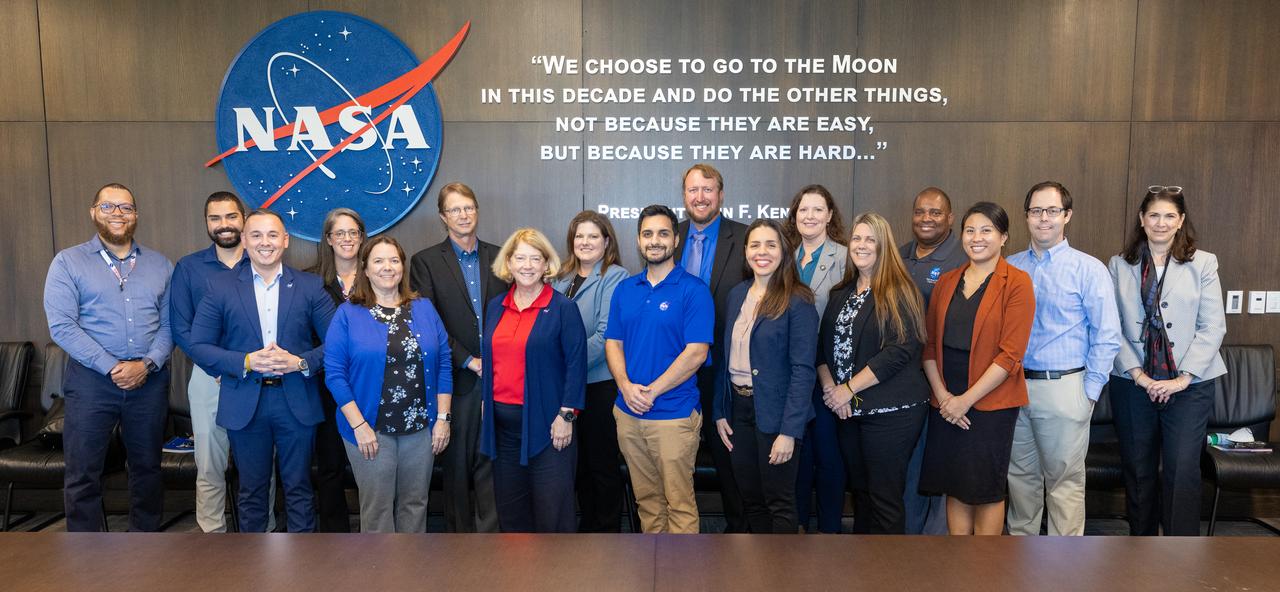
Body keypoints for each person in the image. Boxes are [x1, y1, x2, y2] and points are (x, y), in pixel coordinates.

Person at [188, 209, 336, 532]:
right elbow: (198, 345)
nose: (264, 243)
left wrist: (301, 362)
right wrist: (245, 362)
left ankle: (302, 573)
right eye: (255, 235)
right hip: (245, 402)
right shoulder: (220, 287)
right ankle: (253, 574)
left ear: (285, 240)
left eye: (272, 235)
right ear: (244, 241)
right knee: (251, 492)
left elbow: (339, 343)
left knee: (299, 489)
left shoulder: (310, 286)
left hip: (295, 400)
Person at [44, 182, 173, 531]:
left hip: (149, 380)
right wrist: (113, 366)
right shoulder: (68, 262)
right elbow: (62, 326)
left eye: (126, 207)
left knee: (147, 468)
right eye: (108, 207)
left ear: (136, 215)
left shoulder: (161, 265)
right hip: (92, 381)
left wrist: (145, 364)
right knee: (83, 471)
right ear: (93, 212)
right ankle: (87, 555)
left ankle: (145, 545)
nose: (118, 213)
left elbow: (170, 324)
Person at [1108, 185, 1226, 536]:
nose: (1161, 222)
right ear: (1142, 220)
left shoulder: (1203, 263)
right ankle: (1140, 552)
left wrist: (1181, 379)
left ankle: (1180, 558)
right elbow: (1110, 328)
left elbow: (1213, 326)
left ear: (1181, 221)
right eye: (1154, 215)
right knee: (1139, 470)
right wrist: (1142, 377)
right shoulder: (1118, 265)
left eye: (1169, 216)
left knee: (1181, 470)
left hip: (1191, 385)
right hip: (1132, 383)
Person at [1006, 181, 1121, 537]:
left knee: (1064, 485)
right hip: (1012, 387)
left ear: (1067, 216)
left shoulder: (1088, 269)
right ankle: (1017, 565)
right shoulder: (1009, 267)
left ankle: (1063, 572)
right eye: (1036, 211)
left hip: (1064, 388)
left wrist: (1088, 393)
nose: (1044, 219)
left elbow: (1107, 335)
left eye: (1052, 211)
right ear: (1026, 216)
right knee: (1020, 481)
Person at [918, 202, 1034, 535]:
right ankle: (959, 571)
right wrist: (943, 397)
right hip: (946, 399)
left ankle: (984, 573)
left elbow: (1010, 356)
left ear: (1003, 237)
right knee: (956, 484)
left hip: (989, 402)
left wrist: (965, 401)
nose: (976, 238)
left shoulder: (1017, 283)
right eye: (970, 230)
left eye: (986, 230)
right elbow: (928, 347)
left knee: (984, 489)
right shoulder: (948, 281)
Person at [324, 236, 452, 533]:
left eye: (394, 260)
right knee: (378, 509)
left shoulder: (424, 308)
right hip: (369, 429)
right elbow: (334, 374)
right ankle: (379, 577)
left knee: (416, 504)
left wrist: (443, 419)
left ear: (402, 266)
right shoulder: (348, 313)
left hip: (421, 428)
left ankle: (412, 575)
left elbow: (444, 363)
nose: (387, 267)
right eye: (378, 261)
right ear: (365, 270)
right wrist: (359, 426)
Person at [817, 212, 930, 534]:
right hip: (847, 411)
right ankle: (864, 572)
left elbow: (900, 351)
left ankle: (891, 576)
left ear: (884, 247)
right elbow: (823, 351)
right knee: (862, 495)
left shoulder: (901, 291)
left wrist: (848, 389)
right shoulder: (841, 294)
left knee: (884, 498)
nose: (862, 245)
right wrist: (832, 392)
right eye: (857, 238)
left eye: (870, 240)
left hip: (892, 412)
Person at [170, 191, 275, 533]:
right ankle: (212, 538)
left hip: (258, 377)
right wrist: (221, 368)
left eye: (231, 216)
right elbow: (182, 329)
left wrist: (247, 366)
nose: (224, 224)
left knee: (261, 466)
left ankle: (265, 534)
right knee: (210, 465)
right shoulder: (189, 267)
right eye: (215, 218)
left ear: (243, 219)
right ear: (206, 223)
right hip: (209, 378)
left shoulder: (263, 259)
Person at [606, 204, 714, 534]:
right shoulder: (625, 289)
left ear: (676, 240)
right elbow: (613, 343)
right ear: (638, 241)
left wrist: (651, 391)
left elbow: (696, 353)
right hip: (629, 413)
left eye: (663, 233)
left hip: (674, 415)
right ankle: (654, 575)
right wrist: (625, 386)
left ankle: (682, 579)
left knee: (679, 504)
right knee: (647, 502)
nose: (655, 241)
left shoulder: (694, 290)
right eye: (648, 234)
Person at [409, 182, 508, 532]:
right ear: (442, 217)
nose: (463, 215)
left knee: (493, 469)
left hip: (500, 382)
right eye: (455, 209)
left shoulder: (502, 257)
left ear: (477, 211)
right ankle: (459, 552)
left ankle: (492, 547)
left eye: (468, 207)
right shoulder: (425, 262)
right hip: (457, 381)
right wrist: (469, 360)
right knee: (456, 474)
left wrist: (494, 363)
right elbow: (428, 324)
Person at [479, 228, 587, 532]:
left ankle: (555, 579)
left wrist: (567, 414)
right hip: (503, 431)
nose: (527, 265)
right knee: (512, 515)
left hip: (549, 427)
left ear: (546, 265)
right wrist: (487, 400)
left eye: (535, 258)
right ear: (509, 264)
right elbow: (492, 359)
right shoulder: (495, 307)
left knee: (552, 514)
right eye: (520, 258)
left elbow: (576, 365)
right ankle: (518, 579)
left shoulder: (563, 309)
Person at [713, 219, 817, 533]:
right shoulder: (737, 295)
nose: (762, 252)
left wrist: (790, 432)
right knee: (751, 499)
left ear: (784, 251)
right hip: (738, 412)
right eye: (755, 244)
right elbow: (724, 357)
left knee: (780, 502)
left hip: (777, 414)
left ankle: (781, 578)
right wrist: (719, 410)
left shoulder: (798, 301)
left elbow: (803, 371)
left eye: (771, 245)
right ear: (745, 251)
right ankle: (759, 573)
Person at [673, 163, 750, 531]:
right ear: (684, 196)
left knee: (730, 458)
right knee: (674, 457)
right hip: (675, 370)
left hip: (725, 369)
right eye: (692, 190)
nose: (700, 197)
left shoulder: (746, 238)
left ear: (720, 195)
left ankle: (739, 536)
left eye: (707, 189)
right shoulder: (670, 236)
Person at [551, 211, 630, 532]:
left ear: (607, 241)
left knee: (602, 466)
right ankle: (587, 534)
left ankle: (607, 534)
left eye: (593, 236)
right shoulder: (560, 279)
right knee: (577, 467)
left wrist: (563, 366)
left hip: (599, 388)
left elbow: (605, 336)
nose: (585, 242)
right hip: (567, 391)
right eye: (579, 236)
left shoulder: (615, 276)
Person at [898, 187, 968, 535]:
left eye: (936, 212)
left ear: (951, 218)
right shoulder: (899, 256)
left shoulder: (962, 259)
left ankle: (937, 556)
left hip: (948, 384)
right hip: (901, 382)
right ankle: (907, 553)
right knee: (910, 469)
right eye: (920, 211)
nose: (926, 219)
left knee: (942, 467)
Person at [782, 184, 848, 534]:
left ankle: (830, 530)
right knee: (797, 456)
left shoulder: (845, 257)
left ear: (830, 215)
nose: (809, 216)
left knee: (827, 456)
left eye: (817, 210)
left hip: (828, 375)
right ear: (795, 216)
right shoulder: (783, 256)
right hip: (791, 372)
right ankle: (798, 528)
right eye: (803, 210)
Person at [306, 208, 365, 532]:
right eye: (339, 233)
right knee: (329, 466)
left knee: (372, 462)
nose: (346, 239)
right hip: (327, 388)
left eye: (352, 232)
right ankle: (334, 539)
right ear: (328, 239)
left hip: (371, 386)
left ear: (361, 237)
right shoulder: (310, 281)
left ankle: (377, 535)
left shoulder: (377, 275)